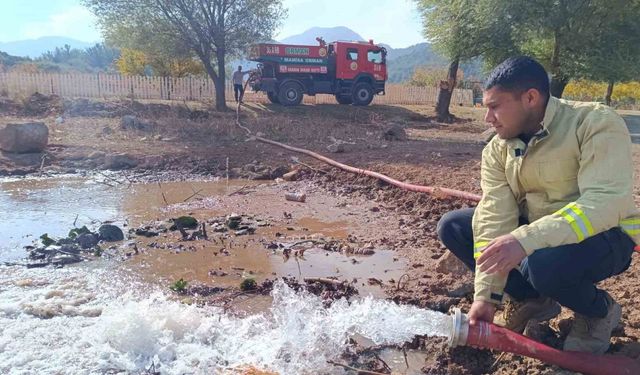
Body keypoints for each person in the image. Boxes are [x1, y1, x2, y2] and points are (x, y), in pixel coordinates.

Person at [437, 56, 639, 354]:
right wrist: (487, 296)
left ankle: (599, 312)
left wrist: (525, 240)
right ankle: (532, 300)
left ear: (530, 98)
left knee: (543, 264)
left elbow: (604, 204)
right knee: (454, 226)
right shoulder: (498, 149)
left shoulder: (594, 123)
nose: (487, 118)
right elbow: (494, 216)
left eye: (494, 106)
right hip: (542, 239)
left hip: (607, 237)